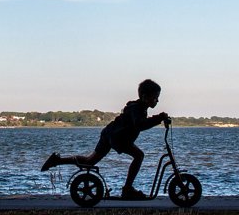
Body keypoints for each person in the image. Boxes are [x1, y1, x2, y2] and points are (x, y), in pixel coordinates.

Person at [40, 79, 169, 199]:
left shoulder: (139, 107)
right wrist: (158, 118)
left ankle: (58, 160)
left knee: (90, 161)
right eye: (155, 97)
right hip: (118, 137)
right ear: (145, 97)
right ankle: (127, 189)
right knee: (139, 156)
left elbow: (140, 123)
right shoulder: (136, 108)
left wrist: (158, 118)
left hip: (109, 133)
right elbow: (140, 125)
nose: (157, 101)